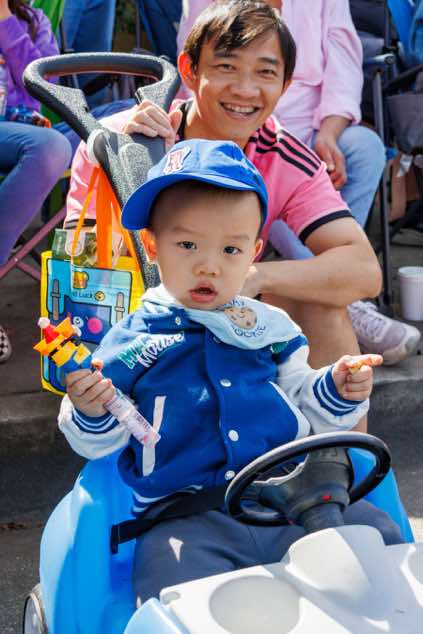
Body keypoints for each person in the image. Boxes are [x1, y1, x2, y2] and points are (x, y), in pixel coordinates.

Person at [58, 138, 402, 604]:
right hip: (186, 518)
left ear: (254, 252)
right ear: (152, 246)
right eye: (187, 245)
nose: (209, 266)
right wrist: (90, 407)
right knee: (176, 592)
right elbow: (103, 440)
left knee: (379, 546)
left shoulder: (268, 327)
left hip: (290, 503)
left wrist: (337, 387)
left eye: (230, 250)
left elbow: (302, 396)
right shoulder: (131, 339)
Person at [175, 0, 421, 365]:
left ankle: (336, 298)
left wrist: (257, 276)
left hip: (305, 128)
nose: (245, 87)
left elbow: (344, 65)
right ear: (190, 70)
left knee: (365, 149)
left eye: (264, 71)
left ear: (284, 82)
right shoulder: (145, 140)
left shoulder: (285, 156)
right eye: (228, 66)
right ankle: (338, 296)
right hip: (147, 311)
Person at [0, 0, 72, 362]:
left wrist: (4, 19)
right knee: (51, 147)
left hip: (29, 132)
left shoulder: (32, 20)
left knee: (118, 124)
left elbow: (44, 88)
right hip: (32, 140)